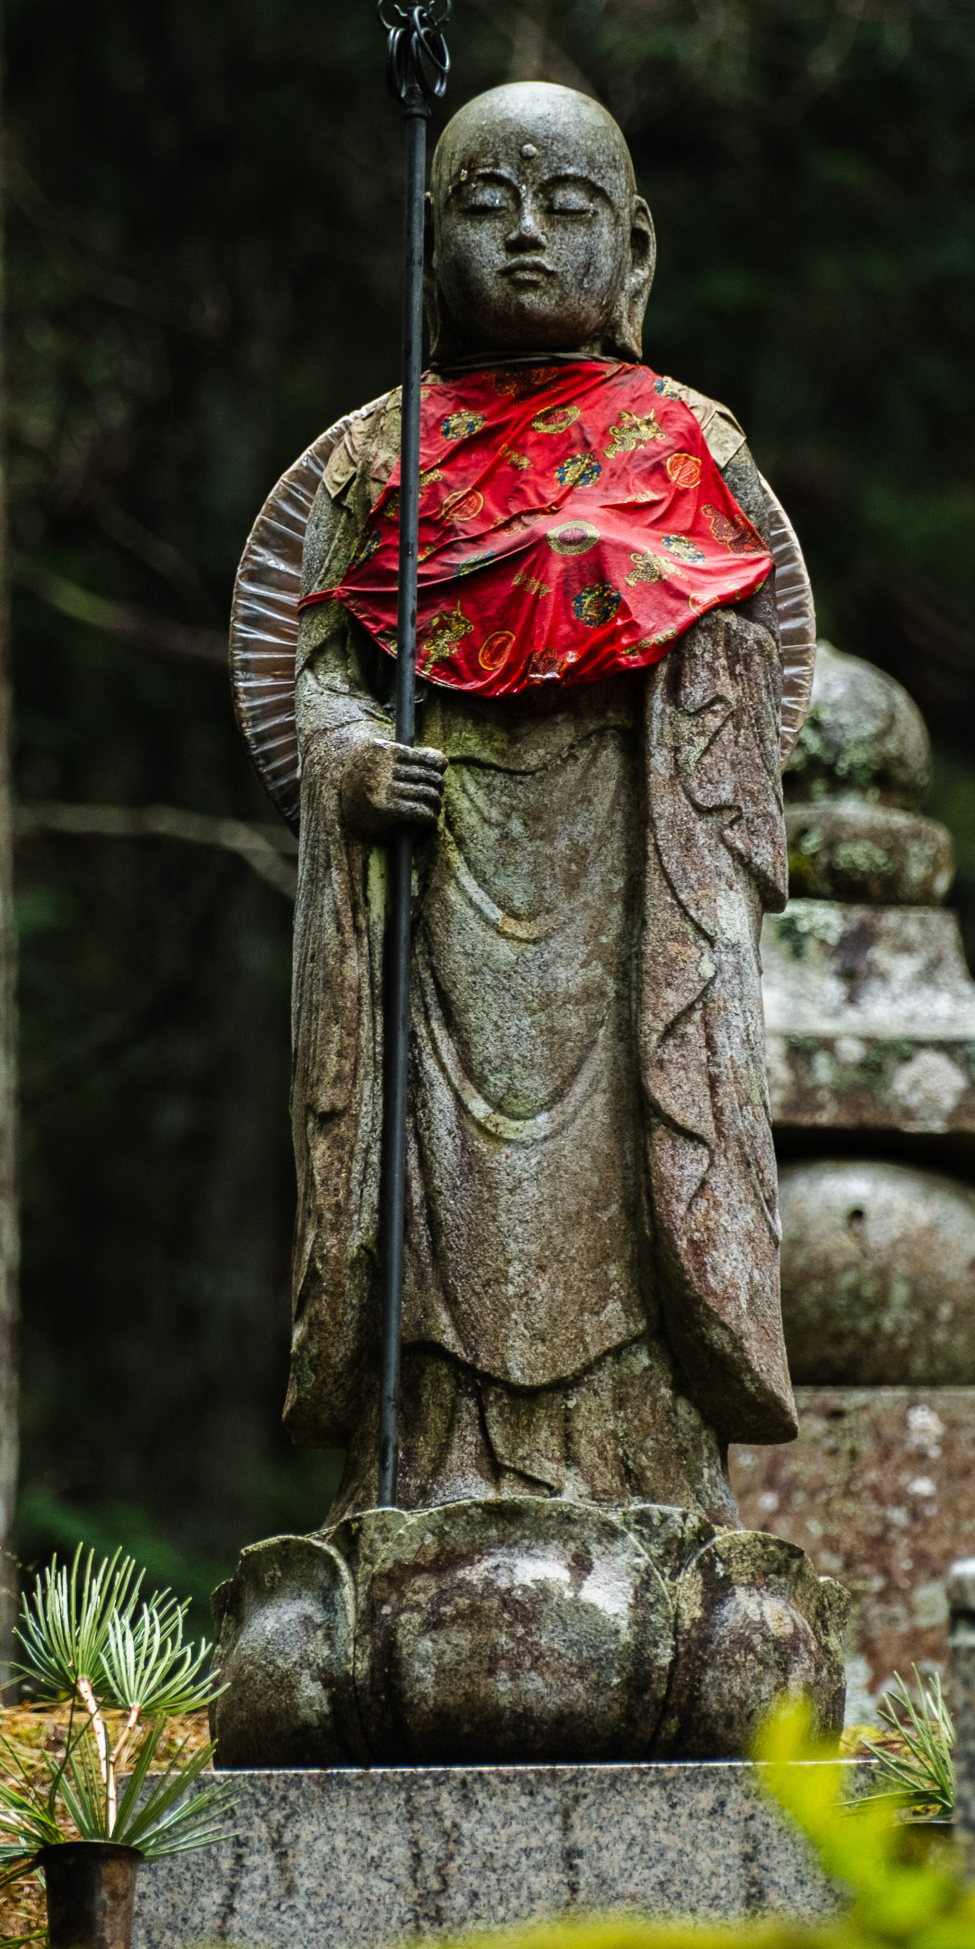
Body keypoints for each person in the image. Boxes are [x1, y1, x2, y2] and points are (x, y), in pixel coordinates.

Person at [288, 80, 797, 1527]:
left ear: (635, 248)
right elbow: (311, 677)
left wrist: (682, 713)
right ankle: (427, 1470)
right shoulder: (377, 457)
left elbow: (743, 665)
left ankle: (642, 1467)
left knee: (636, 1171)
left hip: (630, 892)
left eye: (566, 208)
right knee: (435, 1195)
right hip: (433, 891)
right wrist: (352, 763)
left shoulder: (687, 442)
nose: (524, 236)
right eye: (485, 205)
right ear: (426, 236)